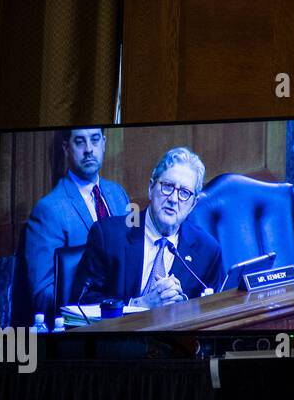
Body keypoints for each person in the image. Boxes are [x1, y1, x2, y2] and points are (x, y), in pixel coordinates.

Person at [77, 146, 223, 308]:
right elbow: (81, 302)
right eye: (167, 186)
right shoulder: (108, 236)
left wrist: (183, 308)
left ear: (193, 204)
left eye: (184, 193)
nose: (174, 199)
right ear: (151, 188)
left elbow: (212, 310)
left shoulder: (207, 250)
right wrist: (138, 305)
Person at [13, 128, 130, 325]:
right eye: (80, 142)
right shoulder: (48, 210)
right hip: (82, 328)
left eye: (94, 140)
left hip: (127, 318)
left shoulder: (119, 194)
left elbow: (133, 258)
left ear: (104, 143)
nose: (89, 150)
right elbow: (43, 295)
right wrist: (109, 304)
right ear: (66, 148)